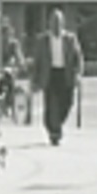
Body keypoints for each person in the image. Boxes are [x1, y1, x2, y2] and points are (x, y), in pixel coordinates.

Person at [31, 9, 84, 145]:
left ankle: (54, 124)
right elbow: (37, 62)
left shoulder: (70, 39)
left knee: (67, 103)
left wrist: (78, 74)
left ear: (63, 24)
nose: (56, 26)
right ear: (49, 24)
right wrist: (34, 81)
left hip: (65, 75)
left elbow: (78, 58)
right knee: (51, 104)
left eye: (58, 22)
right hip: (50, 75)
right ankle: (55, 132)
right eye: (53, 22)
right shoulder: (42, 41)